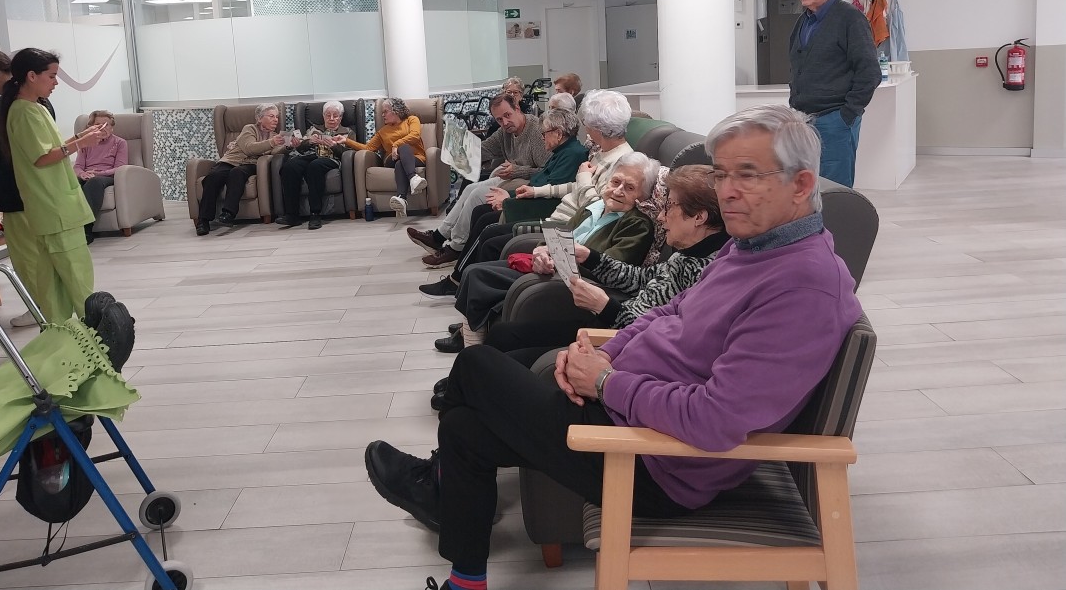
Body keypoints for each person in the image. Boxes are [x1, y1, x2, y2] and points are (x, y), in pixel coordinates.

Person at [363, 104, 862, 590]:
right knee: (464, 428)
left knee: (475, 366)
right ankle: (464, 574)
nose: (727, 191)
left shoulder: (803, 287)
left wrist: (605, 382)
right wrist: (609, 352)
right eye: (722, 174)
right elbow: (670, 310)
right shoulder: (751, 247)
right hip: (630, 416)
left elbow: (716, 419)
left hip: (657, 462)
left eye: (747, 175)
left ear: (801, 185)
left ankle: (437, 485)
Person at [481, 164, 729, 362]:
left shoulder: (707, 272)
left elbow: (663, 337)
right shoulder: (688, 254)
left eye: (669, 207)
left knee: (491, 355)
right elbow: (641, 278)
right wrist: (591, 257)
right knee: (501, 335)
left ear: (699, 217)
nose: (662, 217)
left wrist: (605, 306)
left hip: (618, 342)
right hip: (615, 321)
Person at [435, 152, 659, 354]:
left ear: (642, 196)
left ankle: (470, 345)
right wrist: (542, 249)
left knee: (477, 275)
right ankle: (472, 337)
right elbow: (561, 234)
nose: (618, 190)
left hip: (570, 279)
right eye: (616, 182)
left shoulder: (637, 224)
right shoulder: (595, 206)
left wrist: (558, 260)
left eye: (629, 188)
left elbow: (610, 267)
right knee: (475, 272)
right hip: (551, 265)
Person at [418, 106, 586, 300]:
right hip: (530, 199)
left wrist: (508, 200)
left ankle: (459, 281)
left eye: (545, 134)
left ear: (558, 133)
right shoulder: (562, 151)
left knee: (486, 224)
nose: (542, 138)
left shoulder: (572, 154)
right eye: (499, 119)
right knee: (480, 211)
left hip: (540, 210)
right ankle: (460, 276)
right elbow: (539, 184)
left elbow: (550, 194)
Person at [0, 48, 109, 324]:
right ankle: (95, 333)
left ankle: (61, 334)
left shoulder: (33, 108)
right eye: (52, 76)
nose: (56, 82)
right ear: (31, 76)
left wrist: (80, 137)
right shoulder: (25, 112)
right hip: (54, 205)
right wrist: (80, 144)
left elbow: (49, 148)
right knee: (77, 276)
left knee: (54, 282)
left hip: (52, 205)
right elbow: (42, 157)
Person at [406, 93, 549, 268]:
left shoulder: (535, 131)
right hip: (513, 176)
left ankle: (456, 248)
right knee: (469, 189)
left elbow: (546, 172)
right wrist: (458, 148)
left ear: (517, 108)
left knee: (477, 195)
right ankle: (438, 236)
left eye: (507, 115)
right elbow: (483, 150)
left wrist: (518, 170)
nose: (504, 122)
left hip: (531, 182)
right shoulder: (505, 132)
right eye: (499, 119)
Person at [0, 49, 60, 327]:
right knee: (36, 253)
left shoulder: (15, 102)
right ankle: (47, 307)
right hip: (33, 189)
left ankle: (40, 308)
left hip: (18, 188)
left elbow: (4, 147)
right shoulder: (33, 101)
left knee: (26, 255)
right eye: (52, 76)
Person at [785, 0, 882, 187]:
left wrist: (847, 115)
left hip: (834, 121)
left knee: (834, 192)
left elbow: (870, 72)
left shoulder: (850, 18)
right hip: (802, 122)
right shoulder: (803, 22)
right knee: (806, 190)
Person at [195, 103, 287, 236]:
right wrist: (271, 143)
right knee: (213, 177)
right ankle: (203, 221)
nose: (276, 120)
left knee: (237, 173)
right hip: (230, 161)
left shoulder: (274, 136)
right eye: (271, 116)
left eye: (277, 117)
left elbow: (276, 152)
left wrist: (288, 146)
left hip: (249, 164)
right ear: (259, 118)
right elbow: (249, 148)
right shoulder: (249, 128)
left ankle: (228, 214)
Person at [337, 97, 425, 218]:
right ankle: (413, 178)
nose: (382, 115)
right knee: (401, 153)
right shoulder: (382, 131)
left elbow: (415, 135)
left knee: (401, 160)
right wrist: (346, 141)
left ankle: (401, 199)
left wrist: (396, 144)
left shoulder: (412, 120)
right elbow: (368, 148)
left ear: (396, 110)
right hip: (391, 159)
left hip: (416, 158)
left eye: (385, 112)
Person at [276, 100, 355, 230]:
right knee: (290, 167)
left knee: (315, 166)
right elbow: (301, 149)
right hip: (310, 155)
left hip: (331, 158)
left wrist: (335, 146)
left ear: (340, 117)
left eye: (335, 115)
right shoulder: (313, 129)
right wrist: (309, 142)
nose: (331, 118)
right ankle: (292, 215)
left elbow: (350, 153)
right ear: (323, 116)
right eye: (328, 115)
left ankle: (315, 214)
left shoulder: (348, 132)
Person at [73, 109, 127, 244]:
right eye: (98, 125)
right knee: (73, 182)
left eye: (106, 125)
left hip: (108, 176)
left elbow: (120, 167)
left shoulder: (120, 143)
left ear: (112, 128)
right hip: (88, 175)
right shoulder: (86, 144)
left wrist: (98, 174)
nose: (103, 128)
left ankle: (87, 229)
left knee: (94, 182)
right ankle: (71, 229)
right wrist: (82, 174)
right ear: (91, 127)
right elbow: (77, 166)